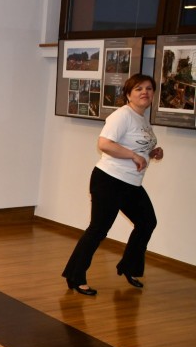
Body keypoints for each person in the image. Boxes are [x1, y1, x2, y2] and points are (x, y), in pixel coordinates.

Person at [62, 73, 163, 295]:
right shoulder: (122, 115)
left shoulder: (142, 118)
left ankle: (128, 266)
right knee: (98, 229)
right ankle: (75, 276)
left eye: (148, 88)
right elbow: (105, 144)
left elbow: (136, 146)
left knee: (147, 222)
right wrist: (133, 156)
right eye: (138, 89)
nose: (144, 92)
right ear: (128, 94)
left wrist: (152, 152)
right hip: (109, 180)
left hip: (131, 183)